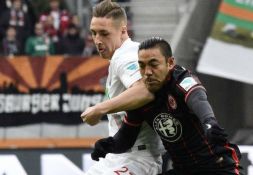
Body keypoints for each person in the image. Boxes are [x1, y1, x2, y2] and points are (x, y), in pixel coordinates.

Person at [90, 37, 244, 175]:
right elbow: (126, 138)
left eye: (153, 64)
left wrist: (210, 121)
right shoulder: (140, 96)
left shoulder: (181, 79)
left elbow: (198, 99)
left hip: (217, 166)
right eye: (142, 66)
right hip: (183, 170)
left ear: (170, 63)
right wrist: (108, 145)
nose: (147, 72)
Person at [81, 1, 164, 175]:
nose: (97, 40)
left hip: (139, 159)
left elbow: (145, 91)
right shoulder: (120, 57)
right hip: (117, 157)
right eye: (93, 33)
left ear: (123, 31)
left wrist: (99, 109)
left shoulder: (126, 56)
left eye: (104, 33)